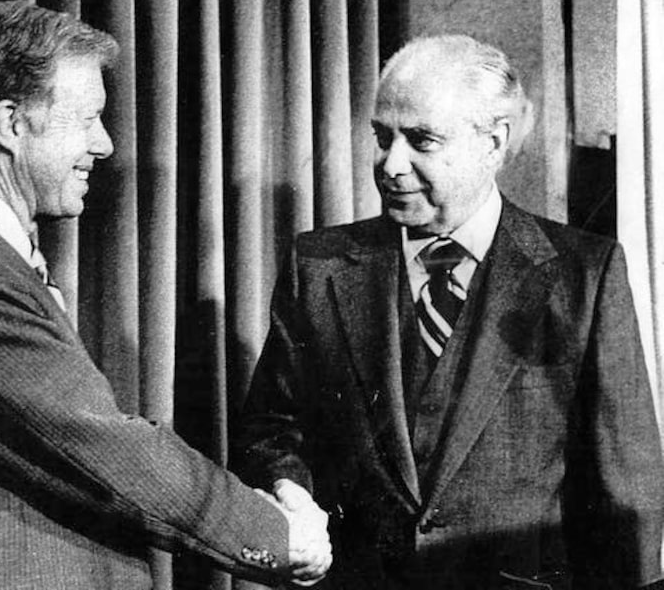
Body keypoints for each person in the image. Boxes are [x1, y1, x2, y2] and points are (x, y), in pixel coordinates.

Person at [0, 0, 332, 590]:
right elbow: (106, 449)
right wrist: (277, 537)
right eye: (87, 120)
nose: (104, 144)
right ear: (11, 123)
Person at [232, 34, 664, 590]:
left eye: (422, 140)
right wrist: (289, 491)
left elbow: (627, 493)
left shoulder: (583, 273)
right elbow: (270, 430)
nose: (391, 163)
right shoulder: (318, 266)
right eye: (381, 137)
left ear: (494, 142)